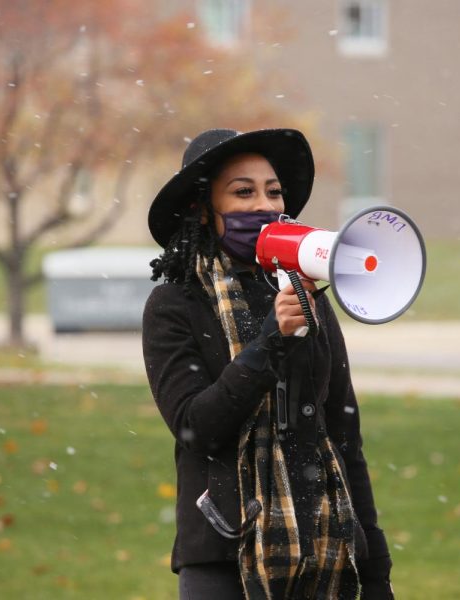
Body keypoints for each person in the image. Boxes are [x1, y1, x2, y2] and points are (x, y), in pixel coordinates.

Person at [143, 128, 394, 599]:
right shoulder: (176, 305)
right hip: (222, 558)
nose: (264, 203)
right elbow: (197, 426)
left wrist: (376, 568)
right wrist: (270, 342)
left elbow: (344, 439)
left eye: (273, 191)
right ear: (202, 210)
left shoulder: (309, 299)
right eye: (243, 191)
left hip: (324, 548)